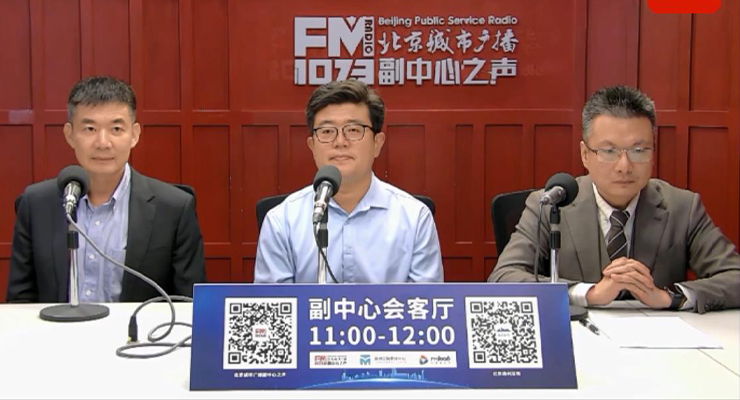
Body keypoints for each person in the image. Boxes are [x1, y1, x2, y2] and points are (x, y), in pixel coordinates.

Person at [489, 85, 740, 313]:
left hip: (659, 342)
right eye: (609, 151)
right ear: (585, 154)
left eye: (638, 150)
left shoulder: (683, 207)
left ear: (653, 152)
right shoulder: (550, 205)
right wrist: (588, 293)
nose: (624, 166)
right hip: (578, 338)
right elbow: (503, 277)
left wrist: (669, 297)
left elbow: (734, 276)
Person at [7, 76, 206, 302]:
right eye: (90, 129)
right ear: (69, 135)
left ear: (135, 135)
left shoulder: (174, 209)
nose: (103, 143)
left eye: (116, 129)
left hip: (138, 326)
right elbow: (20, 302)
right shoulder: (36, 204)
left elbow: (188, 305)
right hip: (56, 325)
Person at [254, 79, 444, 283]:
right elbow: (275, 301)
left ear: (377, 143)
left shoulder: (415, 218)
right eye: (327, 131)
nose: (340, 142)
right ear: (312, 146)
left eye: (353, 130)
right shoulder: (282, 221)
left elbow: (426, 301)